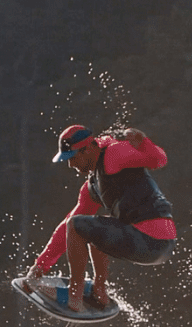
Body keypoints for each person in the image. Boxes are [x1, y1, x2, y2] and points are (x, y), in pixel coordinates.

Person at [21, 124, 177, 313]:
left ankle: (74, 296)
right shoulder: (92, 186)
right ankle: (99, 292)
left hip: (152, 239)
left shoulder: (114, 153)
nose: (71, 165)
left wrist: (143, 141)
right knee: (90, 226)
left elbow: (159, 159)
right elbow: (67, 228)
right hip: (155, 244)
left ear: (87, 149)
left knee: (80, 225)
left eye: (73, 158)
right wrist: (40, 266)